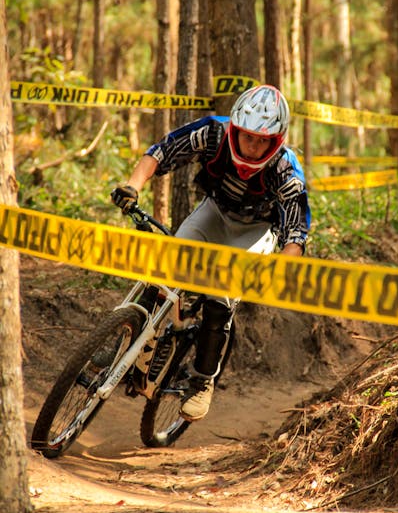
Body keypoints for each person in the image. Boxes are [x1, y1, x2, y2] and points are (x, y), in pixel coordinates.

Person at [111, 84, 310, 422]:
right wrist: (133, 186)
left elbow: (296, 235)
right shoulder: (212, 132)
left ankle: (203, 381)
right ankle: (126, 338)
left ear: (277, 141)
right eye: (248, 137)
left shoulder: (286, 170)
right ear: (235, 128)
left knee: (221, 296)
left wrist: (279, 268)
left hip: (256, 229)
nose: (253, 147)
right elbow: (161, 152)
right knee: (165, 267)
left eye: (264, 141)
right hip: (215, 212)